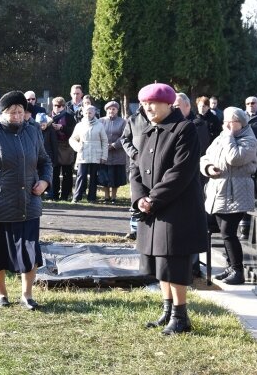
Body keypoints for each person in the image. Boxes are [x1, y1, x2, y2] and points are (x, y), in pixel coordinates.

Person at [132, 83, 207, 335]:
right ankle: (167, 311)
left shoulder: (184, 129)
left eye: (152, 103)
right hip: (153, 209)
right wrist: (139, 197)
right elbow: (135, 168)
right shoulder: (147, 130)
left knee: (174, 262)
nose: (148, 108)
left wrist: (153, 199)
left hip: (177, 209)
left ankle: (181, 316)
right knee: (159, 263)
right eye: (144, 104)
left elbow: (181, 172)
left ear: (168, 104)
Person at [0, 91, 52, 310]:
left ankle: (27, 295)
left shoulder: (33, 131)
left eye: (21, 111)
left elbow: (45, 162)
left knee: (30, 251)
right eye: (12, 112)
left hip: (28, 202)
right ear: (2, 112)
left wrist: (44, 182)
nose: (17, 116)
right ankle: (1, 294)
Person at [200, 107, 257, 286]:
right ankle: (231, 267)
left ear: (241, 123)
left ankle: (238, 270)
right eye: (225, 121)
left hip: (237, 193)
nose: (226, 125)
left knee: (228, 232)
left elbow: (234, 158)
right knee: (224, 232)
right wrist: (209, 168)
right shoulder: (222, 137)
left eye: (230, 122)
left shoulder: (249, 140)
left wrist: (228, 137)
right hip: (219, 191)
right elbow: (205, 157)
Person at [121, 104, 150, 240]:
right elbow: (124, 139)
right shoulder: (133, 119)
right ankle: (134, 229)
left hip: (153, 165)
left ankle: (149, 229)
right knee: (136, 196)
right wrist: (134, 154)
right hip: (136, 164)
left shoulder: (159, 118)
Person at [69, 105, 107, 203]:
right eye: (86, 112)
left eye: (90, 112)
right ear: (83, 113)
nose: (88, 114)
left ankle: (92, 198)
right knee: (81, 175)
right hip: (83, 153)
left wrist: (104, 156)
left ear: (94, 113)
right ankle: (77, 197)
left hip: (96, 154)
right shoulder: (79, 125)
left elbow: (104, 141)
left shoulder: (100, 125)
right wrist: (78, 147)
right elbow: (72, 139)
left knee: (94, 176)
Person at [99, 101, 127, 204]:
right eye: (109, 109)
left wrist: (114, 145)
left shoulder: (123, 122)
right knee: (104, 176)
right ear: (106, 110)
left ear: (117, 110)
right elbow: (97, 134)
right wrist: (104, 145)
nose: (111, 111)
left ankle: (114, 197)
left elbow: (125, 136)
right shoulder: (100, 121)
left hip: (118, 153)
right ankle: (106, 196)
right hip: (104, 153)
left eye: (114, 109)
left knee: (116, 177)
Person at [50, 96, 76, 200]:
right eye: (55, 105)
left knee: (67, 172)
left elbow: (73, 131)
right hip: (53, 146)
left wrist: (62, 127)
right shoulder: (49, 116)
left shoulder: (69, 116)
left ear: (64, 106)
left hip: (66, 146)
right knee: (54, 172)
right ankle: (54, 194)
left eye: (59, 106)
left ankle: (65, 195)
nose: (57, 108)